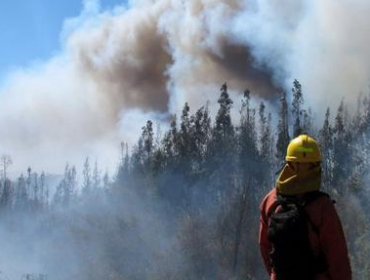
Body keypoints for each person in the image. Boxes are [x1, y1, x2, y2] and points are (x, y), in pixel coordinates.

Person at [259, 134, 352, 280]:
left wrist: (275, 273)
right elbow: (338, 259)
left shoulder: (270, 201)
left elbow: (265, 247)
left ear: (289, 164)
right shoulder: (322, 206)